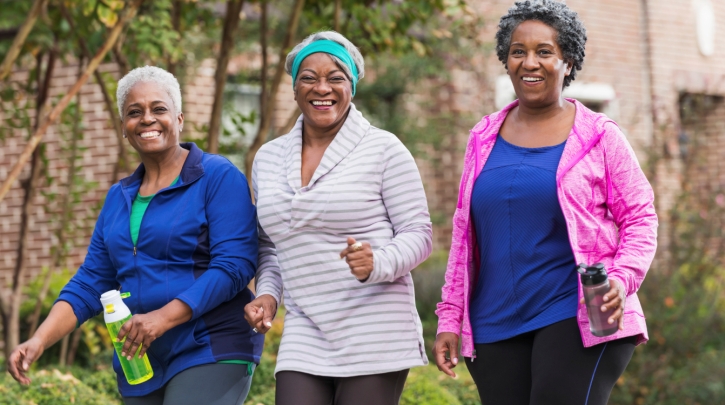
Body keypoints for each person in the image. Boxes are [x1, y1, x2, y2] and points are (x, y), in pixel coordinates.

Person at [433, 1, 658, 404]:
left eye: (544, 52)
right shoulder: (482, 138)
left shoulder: (599, 136)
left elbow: (640, 217)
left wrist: (622, 280)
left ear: (567, 62)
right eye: (518, 51)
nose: (529, 62)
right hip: (494, 319)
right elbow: (465, 237)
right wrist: (450, 317)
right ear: (506, 59)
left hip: (576, 313)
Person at [7, 66, 263, 405]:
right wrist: (38, 340)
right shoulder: (118, 197)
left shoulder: (217, 177)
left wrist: (161, 318)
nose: (147, 119)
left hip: (210, 346)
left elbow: (235, 266)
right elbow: (91, 280)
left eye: (158, 109)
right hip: (139, 359)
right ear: (124, 129)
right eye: (134, 112)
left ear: (179, 118)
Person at [245, 31, 432, 405]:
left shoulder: (383, 149)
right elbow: (270, 244)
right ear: (295, 87)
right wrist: (267, 293)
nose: (322, 88)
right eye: (309, 77)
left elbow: (419, 234)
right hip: (305, 327)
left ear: (353, 86)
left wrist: (377, 261)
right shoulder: (267, 158)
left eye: (336, 77)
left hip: (374, 329)